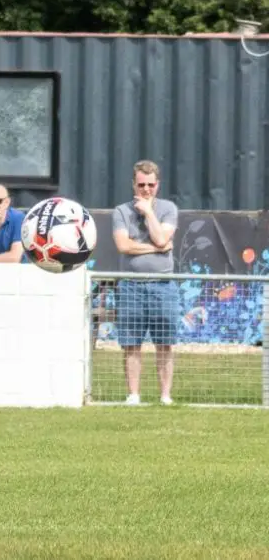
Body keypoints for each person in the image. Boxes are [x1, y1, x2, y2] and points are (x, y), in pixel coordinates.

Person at [112, 160, 178, 406]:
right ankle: (133, 395)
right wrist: (155, 247)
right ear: (133, 184)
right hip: (132, 285)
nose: (146, 189)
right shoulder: (120, 211)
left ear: (157, 185)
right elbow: (123, 246)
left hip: (163, 285)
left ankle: (165, 396)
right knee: (131, 343)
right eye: (141, 185)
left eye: (150, 185)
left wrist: (149, 212)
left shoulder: (169, 208)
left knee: (165, 343)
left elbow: (162, 237)